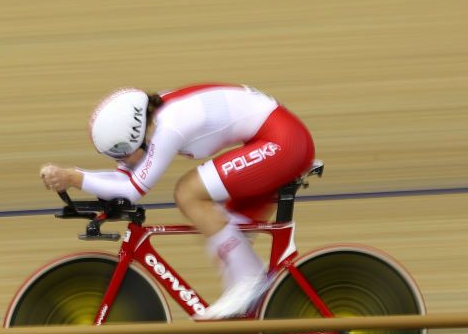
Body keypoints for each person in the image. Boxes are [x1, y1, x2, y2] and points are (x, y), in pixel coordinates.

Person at [39, 84, 315, 322]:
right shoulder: (153, 117)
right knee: (230, 242)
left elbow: (132, 189)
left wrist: (72, 176)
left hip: (284, 143)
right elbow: (126, 174)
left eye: (121, 152)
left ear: (138, 136)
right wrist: (74, 177)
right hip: (273, 138)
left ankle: (249, 281)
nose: (120, 161)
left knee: (188, 193)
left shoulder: (169, 126)